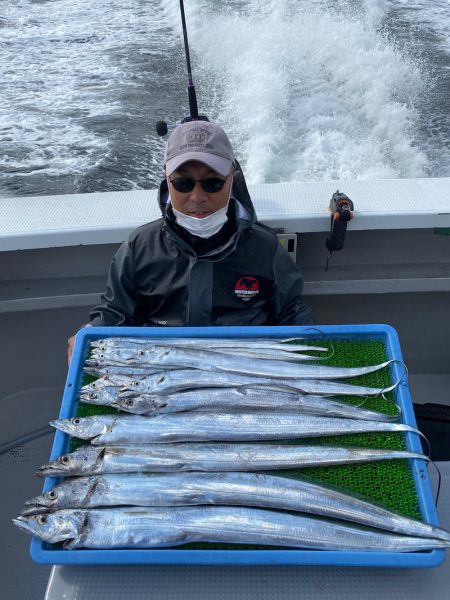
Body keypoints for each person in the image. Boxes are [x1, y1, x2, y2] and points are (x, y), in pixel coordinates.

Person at [67, 120, 313, 363]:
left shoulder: (265, 247)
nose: (198, 197)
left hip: (248, 367)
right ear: (166, 178)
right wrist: (91, 330)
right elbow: (117, 313)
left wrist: (313, 343)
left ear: (232, 179)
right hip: (164, 368)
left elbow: (291, 313)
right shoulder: (138, 247)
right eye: (183, 183)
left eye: (213, 183)